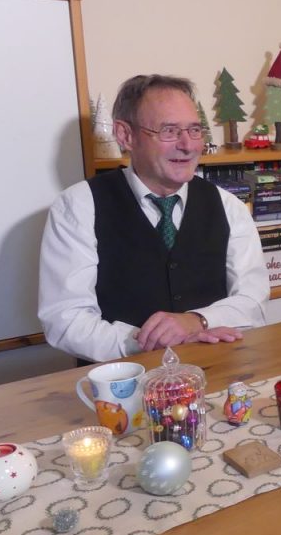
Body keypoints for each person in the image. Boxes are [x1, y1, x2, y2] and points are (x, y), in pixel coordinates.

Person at [39, 74, 269, 363]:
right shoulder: (77, 207)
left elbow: (253, 302)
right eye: (169, 131)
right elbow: (65, 319)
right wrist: (150, 341)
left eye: (195, 130)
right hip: (121, 388)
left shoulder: (229, 206)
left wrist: (197, 321)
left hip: (214, 374)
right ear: (125, 136)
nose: (187, 145)